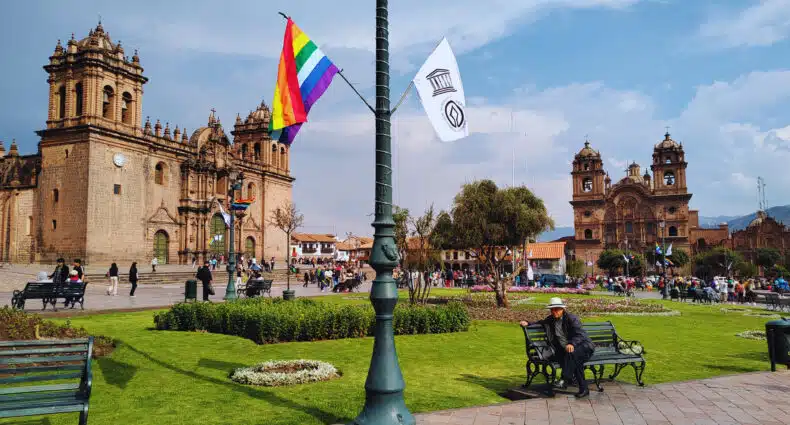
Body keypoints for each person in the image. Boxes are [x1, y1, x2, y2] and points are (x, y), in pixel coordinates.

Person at [519, 297, 594, 398]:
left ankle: (564, 379)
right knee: (575, 360)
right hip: (567, 351)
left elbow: (580, 334)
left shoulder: (572, 318)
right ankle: (584, 389)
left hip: (584, 347)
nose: (554, 312)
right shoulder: (551, 319)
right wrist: (528, 323)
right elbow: (541, 322)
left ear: (562, 309)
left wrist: (572, 343)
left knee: (572, 355)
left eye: (557, 309)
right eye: (552, 310)